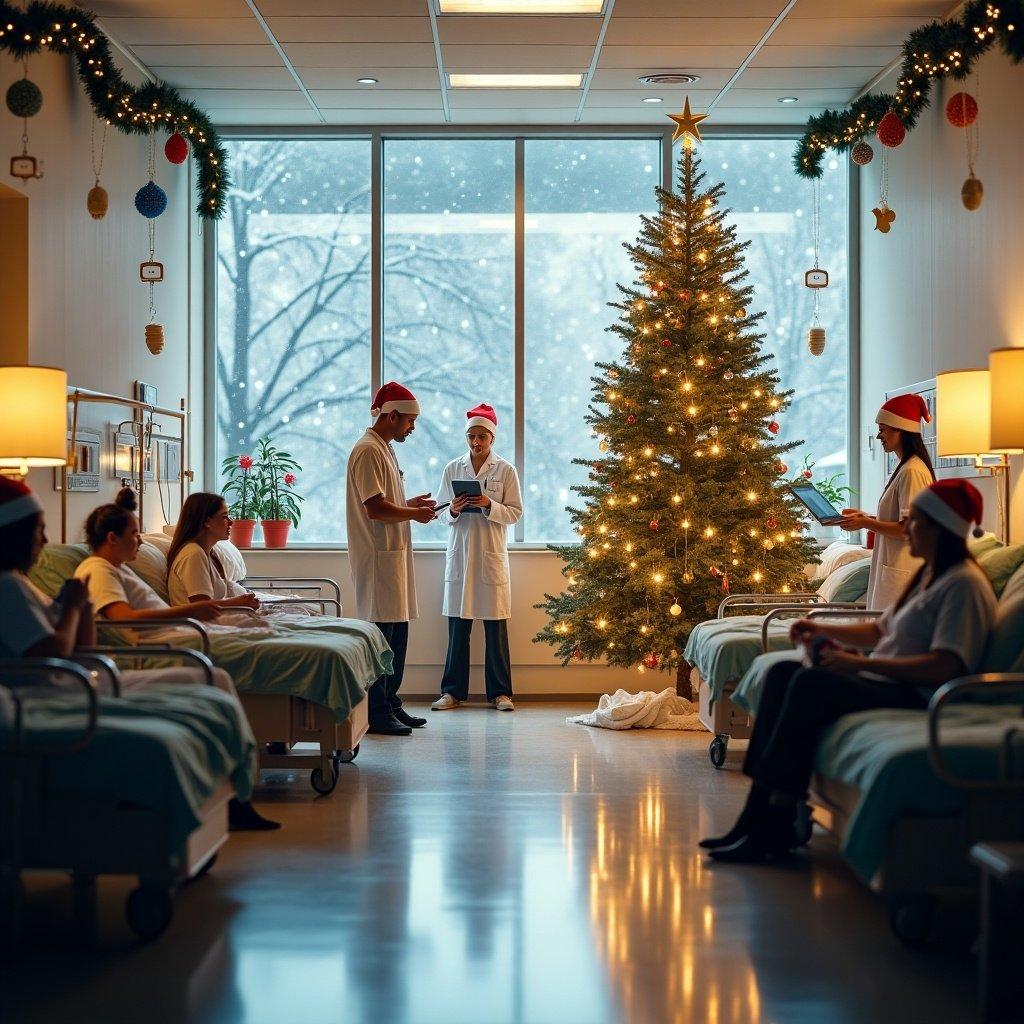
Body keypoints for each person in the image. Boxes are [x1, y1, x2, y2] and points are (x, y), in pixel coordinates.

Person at [701, 478, 995, 863]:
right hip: (885, 679)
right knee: (781, 674)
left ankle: (776, 821)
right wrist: (821, 627)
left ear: (942, 529)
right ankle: (757, 816)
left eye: (915, 521)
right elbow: (880, 629)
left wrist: (857, 663)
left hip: (913, 694)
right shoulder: (928, 576)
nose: (906, 529)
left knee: (809, 683)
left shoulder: (964, 586)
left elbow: (946, 664)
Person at [0, 479, 276, 830]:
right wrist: (72, 608)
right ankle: (234, 798)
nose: (43, 540)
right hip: (67, 687)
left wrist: (79, 608)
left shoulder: (21, 583)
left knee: (215, 684)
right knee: (214, 681)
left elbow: (78, 646)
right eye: (38, 531)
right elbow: (55, 651)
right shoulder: (18, 586)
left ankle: (235, 795)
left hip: (81, 678)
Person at [346, 381, 436, 737]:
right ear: (392, 415)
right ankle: (377, 710)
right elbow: (374, 507)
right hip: (378, 557)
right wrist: (412, 515)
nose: (412, 428)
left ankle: (390, 701)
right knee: (384, 637)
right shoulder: (368, 450)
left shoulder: (383, 448)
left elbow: (386, 498)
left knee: (397, 634)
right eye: (410, 421)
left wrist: (410, 503)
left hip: (392, 556)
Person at [430, 403, 523, 713]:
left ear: (492, 438)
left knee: (495, 629)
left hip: (490, 556)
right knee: (458, 628)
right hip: (461, 555)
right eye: (471, 436)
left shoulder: (506, 470)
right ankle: (452, 692)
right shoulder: (452, 469)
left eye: (481, 436)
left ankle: (500, 693)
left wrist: (487, 505)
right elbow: (441, 512)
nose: (475, 442)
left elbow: (515, 513)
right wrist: (455, 508)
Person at [839, 393, 935, 609]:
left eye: (882, 429)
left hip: (903, 575)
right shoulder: (906, 468)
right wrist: (866, 517)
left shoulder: (912, 471)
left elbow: (907, 529)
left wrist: (865, 523)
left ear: (899, 429)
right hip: (895, 571)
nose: (879, 436)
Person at [166, 492, 263, 609]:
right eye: (224, 517)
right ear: (207, 522)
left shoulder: (210, 553)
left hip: (217, 621)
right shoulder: (193, 554)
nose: (231, 522)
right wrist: (239, 602)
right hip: (201, 624)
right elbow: (201, 608)